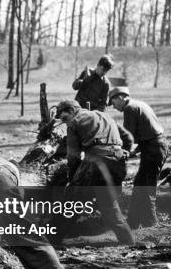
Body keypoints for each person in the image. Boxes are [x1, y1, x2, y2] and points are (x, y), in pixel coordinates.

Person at [55, 99, 135, 245]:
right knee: (109, 206)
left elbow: (73, 156)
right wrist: (124, 153)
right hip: (118, 162)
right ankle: (128, 240)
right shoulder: (105, 116)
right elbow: (128, 139)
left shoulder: (74, 122)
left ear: (72, 111)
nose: (65, 122)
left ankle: (52, 239)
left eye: (65, 118)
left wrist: (73, 180)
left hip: (97, 163)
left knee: (71, 202)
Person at [109, 86, 168, 228]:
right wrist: (133, 152)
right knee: (139, 185)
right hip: (156, 146)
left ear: (120, 98)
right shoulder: (140, 104)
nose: (114, 107)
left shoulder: (130, 108)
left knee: (146, 188)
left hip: (153, 149)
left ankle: (151, 225)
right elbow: (148, 131)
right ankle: (133, 222)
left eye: (113, 103)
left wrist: (119, 152)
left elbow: (128, 136)